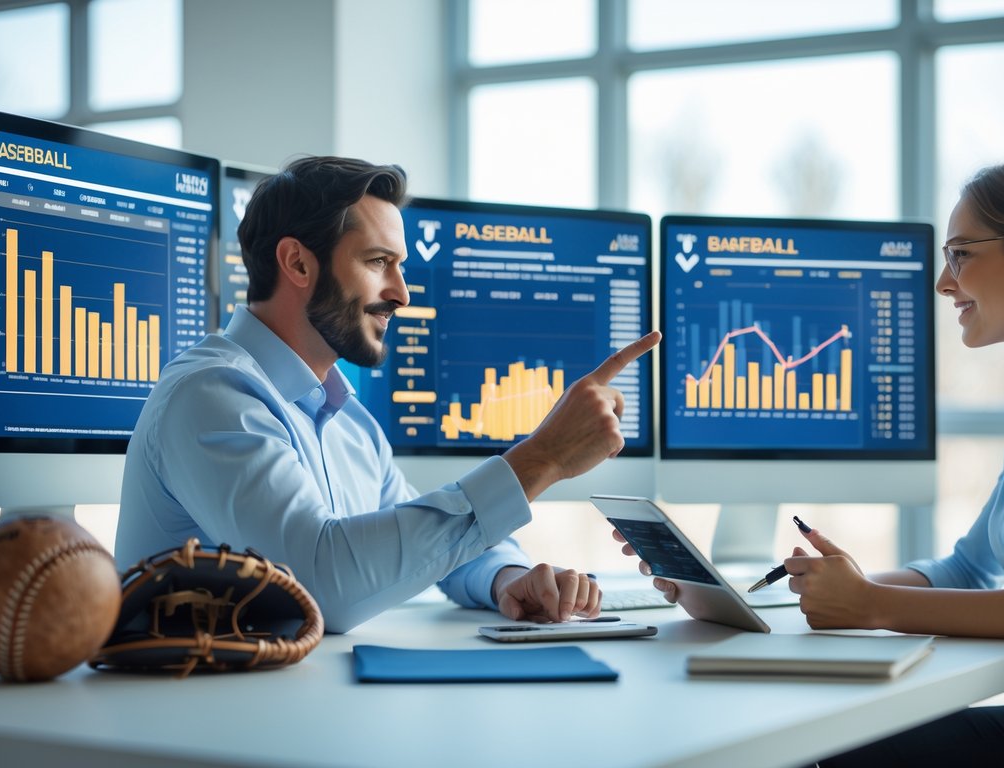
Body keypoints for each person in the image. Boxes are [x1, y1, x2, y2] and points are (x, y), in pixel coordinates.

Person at [617, 150, 1004, 766]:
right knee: (828, 744)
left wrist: (871, 605)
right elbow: (968, 569)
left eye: (961, 254)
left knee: (829, 754)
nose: (943, 282)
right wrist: (809, 591)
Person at [117, 155, 660, 633]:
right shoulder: (211, 396)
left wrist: (508, 578)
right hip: (196, 713)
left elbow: (422, 542)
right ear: (298, 262)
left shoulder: (349, 424)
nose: (401, 293)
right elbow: (318, 586)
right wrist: (542, 459)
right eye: (379, 262)